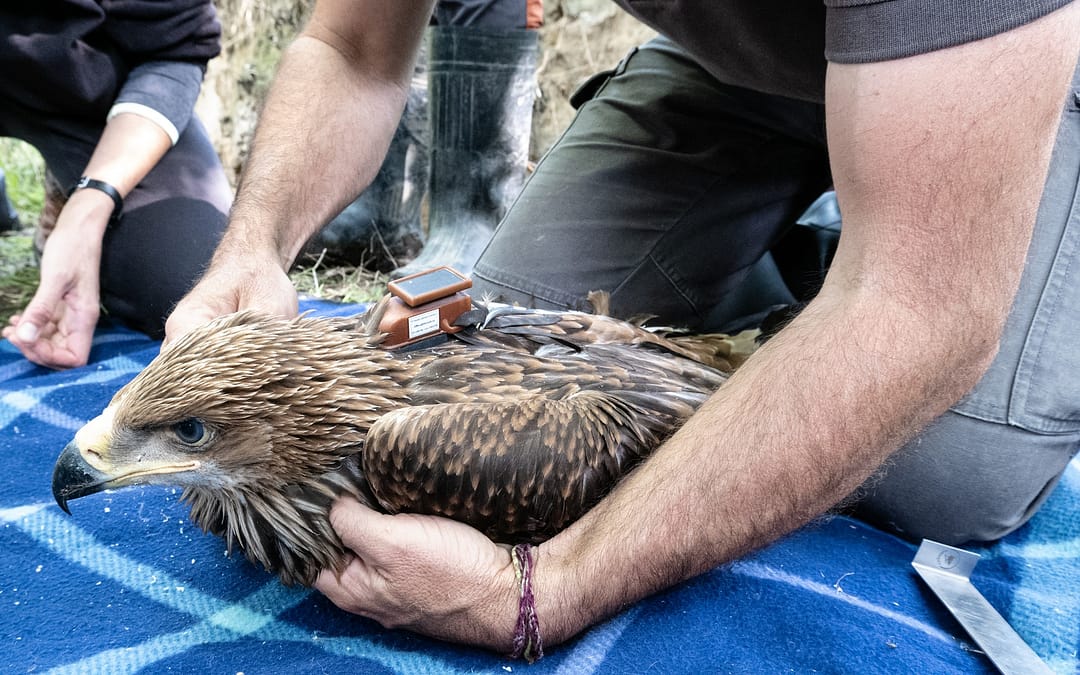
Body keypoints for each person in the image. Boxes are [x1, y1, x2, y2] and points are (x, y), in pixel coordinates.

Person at [164, 0, 1080, 659]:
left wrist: (539, 592)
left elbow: (926, 307)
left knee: (932, 468)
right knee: (482, 312)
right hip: (732, 62)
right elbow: (352, 50)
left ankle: (841, 278)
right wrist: (252, 248)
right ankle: (801, 285)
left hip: (1011, 79)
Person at [0, 0, 231, 369]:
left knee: (194, 284)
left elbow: (175, 47)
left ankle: (72, 191)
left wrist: (93, 199)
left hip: (89, 91)